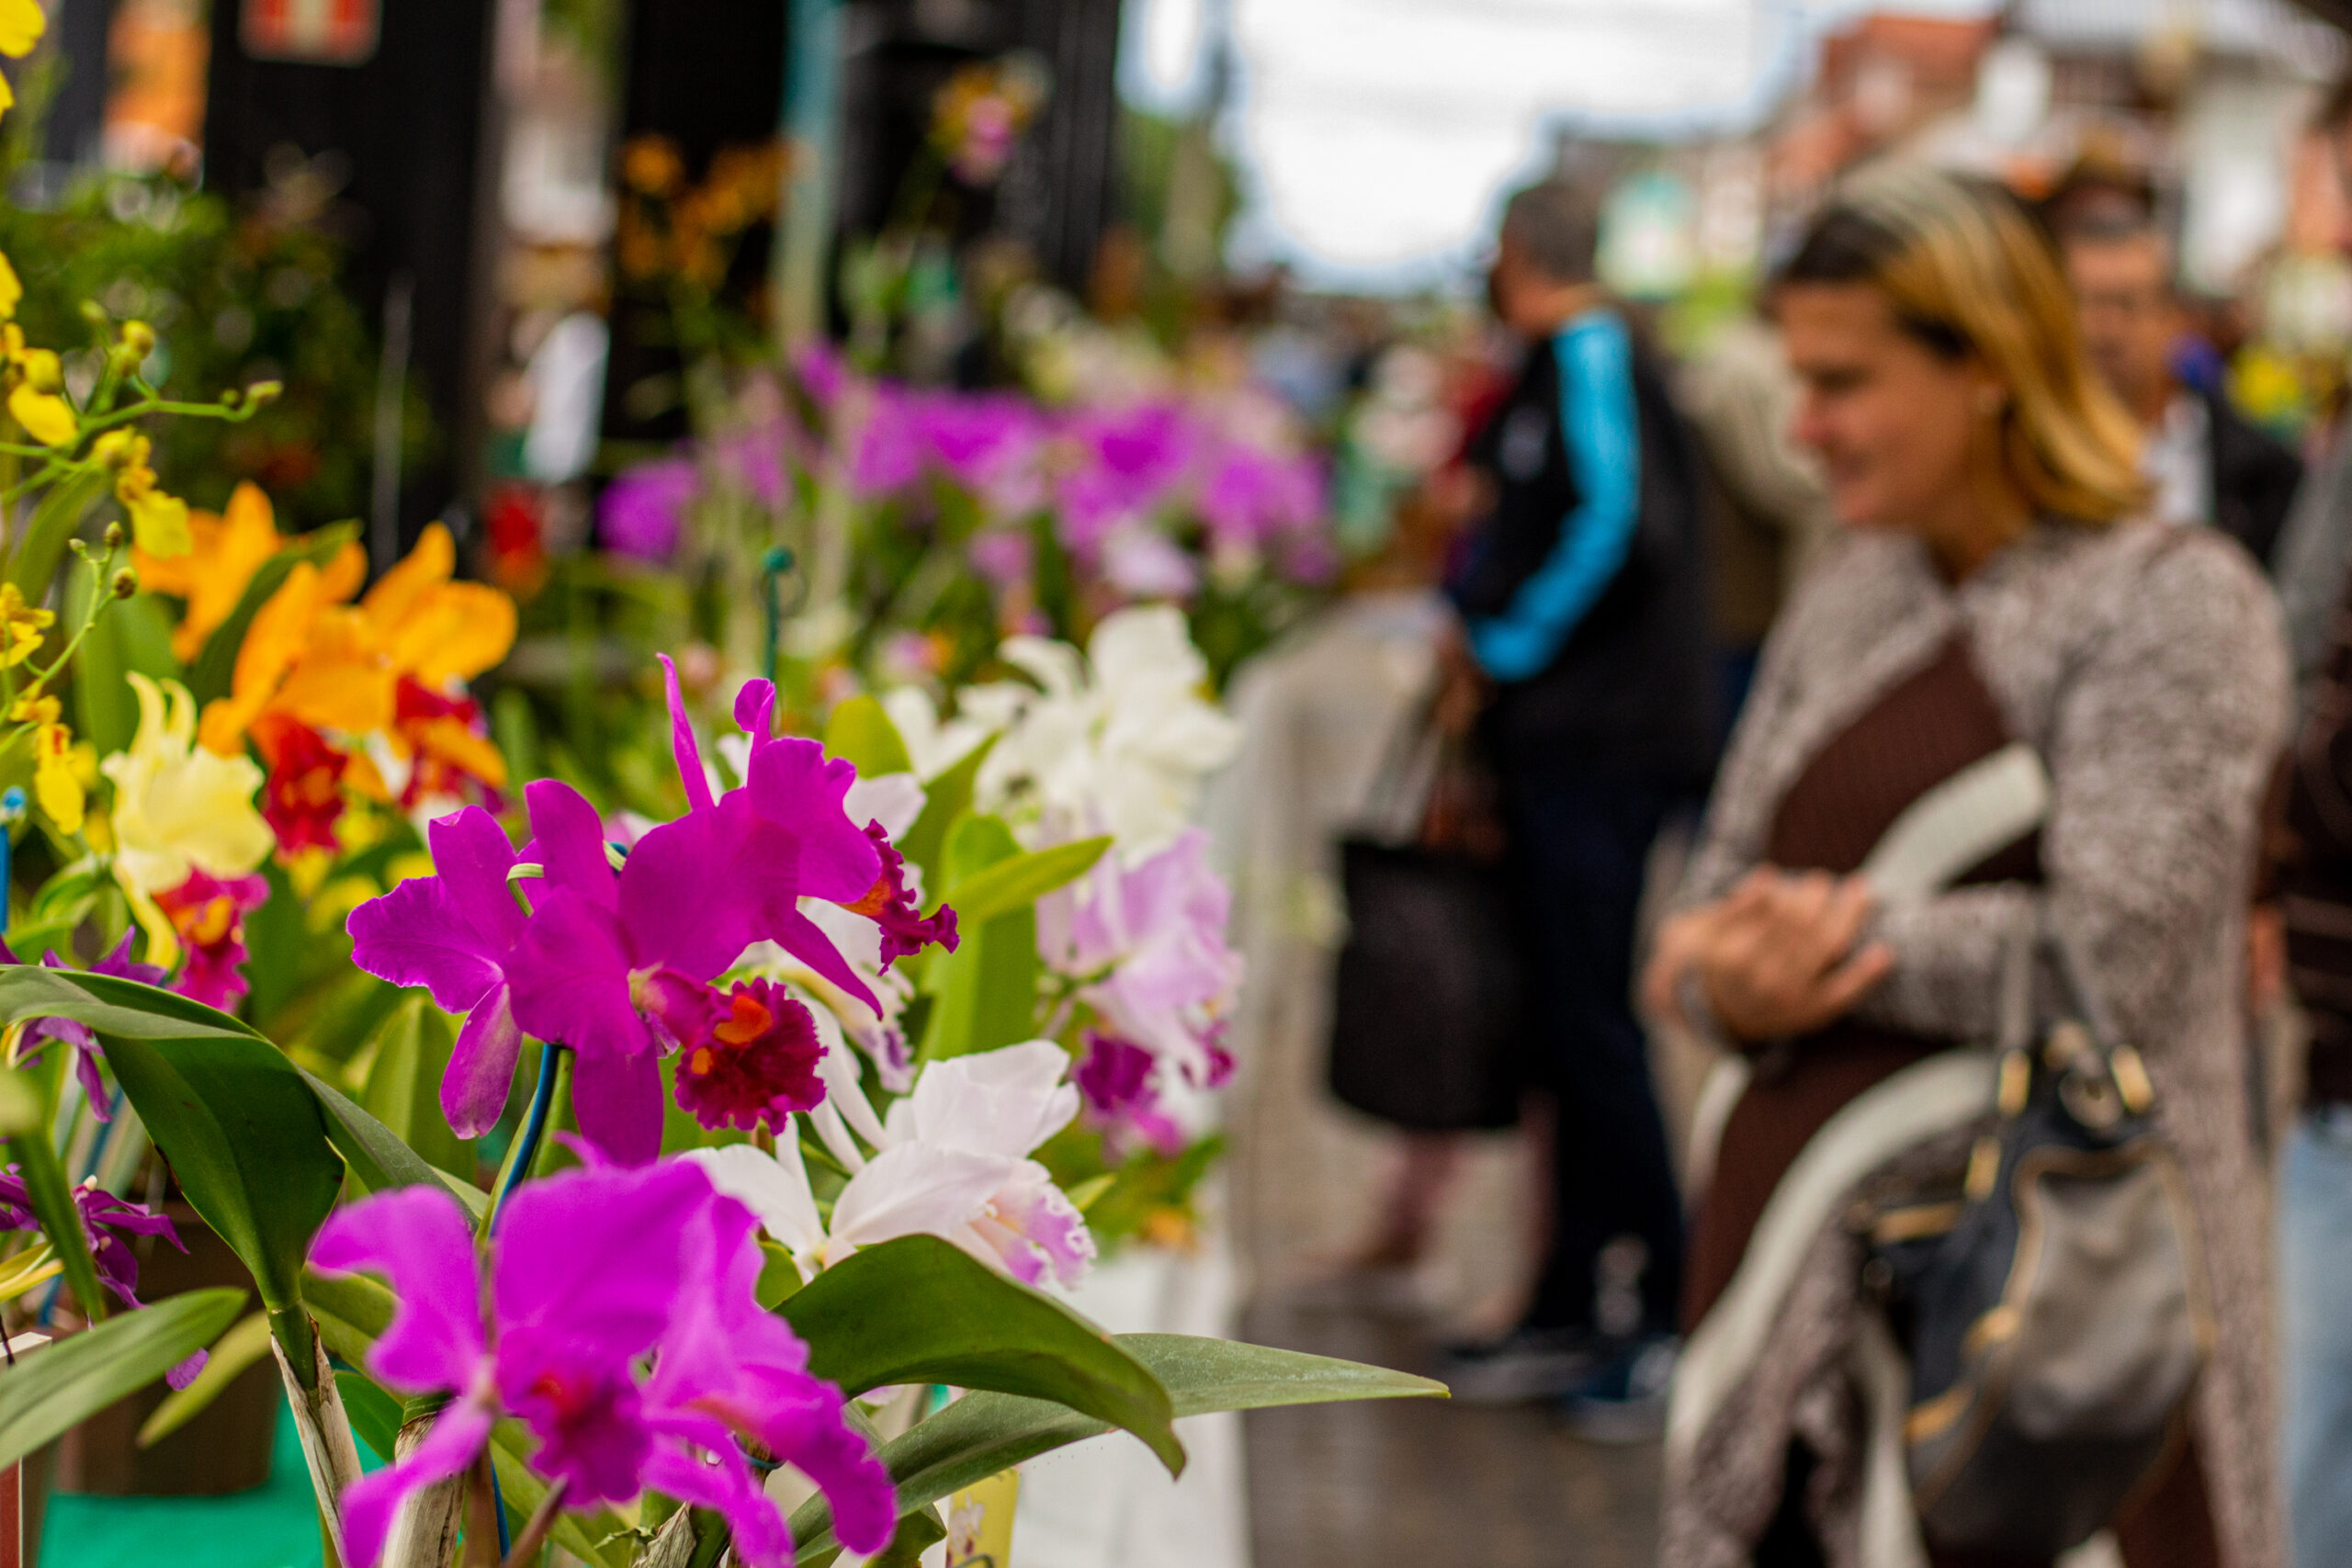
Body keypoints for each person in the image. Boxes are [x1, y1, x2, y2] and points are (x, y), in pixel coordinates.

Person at [1645, 167, 2286, 1567]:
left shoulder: (2173, 601)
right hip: (1805, 1316)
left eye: (1842, 381)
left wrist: (1822, 941)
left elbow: (2112, 953)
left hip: (2051, 1358)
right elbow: (1707, 909)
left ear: (1986, 366)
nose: (1803, 428)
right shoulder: (1854, 586)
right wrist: (1728, 975)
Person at [1432, 178, 1714, 1431]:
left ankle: (1664, 1301)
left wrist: (1505, 642)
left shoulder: (1592, 354)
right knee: (1560, 1030)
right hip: (1562, 746)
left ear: (1522, 254)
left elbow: (1615, 521)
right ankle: (1566, 1294)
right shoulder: (1560, 360)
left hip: (1601, 747)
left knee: (1597, 1030)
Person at [2058, 210, 2301, 558]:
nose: (2106, 329)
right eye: (2088, 304)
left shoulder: (2261, 469)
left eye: (2127, 304)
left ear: (2172, 316)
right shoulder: (2020, 452)